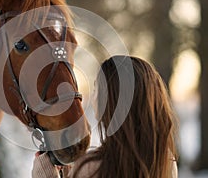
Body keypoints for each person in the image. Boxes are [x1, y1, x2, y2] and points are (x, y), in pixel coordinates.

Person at [32, 55, 178, 178]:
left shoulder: (90, 168)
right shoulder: (166, 161)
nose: (91, 96)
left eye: (96, 88)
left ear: (110, 100)